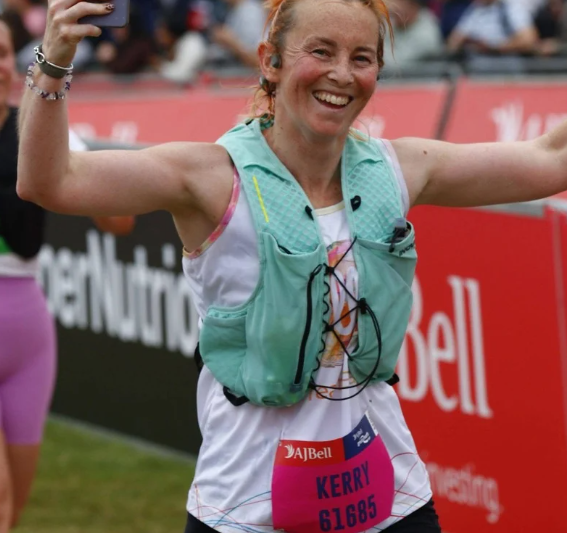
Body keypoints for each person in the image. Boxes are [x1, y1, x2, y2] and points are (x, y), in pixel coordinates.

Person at [15, 0, 567, 530]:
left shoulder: (400, 168)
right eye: (321, 51)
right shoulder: (210, 177)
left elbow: (552, 158)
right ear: (270, 61)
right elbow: (49, 182)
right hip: (242, 512)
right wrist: (54, 59)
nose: (341, 75)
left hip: (388, 505)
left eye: (361, 58)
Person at [0, 17, 133, 532]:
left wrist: (100, 194)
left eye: (4, 53)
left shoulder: (36, 128)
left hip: (28, 337)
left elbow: (118, 220)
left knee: (13, 508)